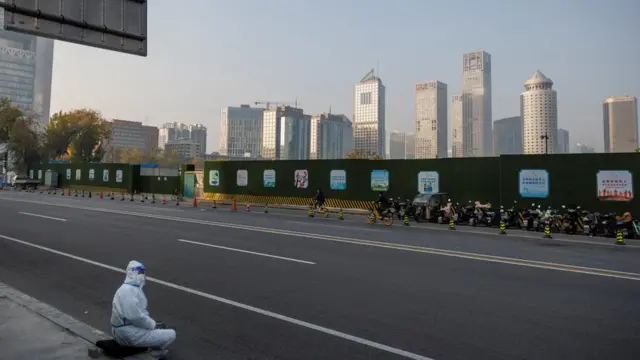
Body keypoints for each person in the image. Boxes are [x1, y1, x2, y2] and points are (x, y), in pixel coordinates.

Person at [111, 261, 176, 354]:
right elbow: (134, 316)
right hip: (127, 333)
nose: (143, 275)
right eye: (140, 272)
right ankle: (150, 354)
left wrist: (152, 324)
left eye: (143, 272)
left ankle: (145, 346)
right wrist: (152, 325)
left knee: (157, 328)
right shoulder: (128, 291)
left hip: (125, 330)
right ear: (132, 272)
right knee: (171, 334)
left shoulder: (129, 288)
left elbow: (137, 316)